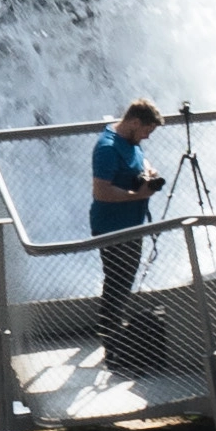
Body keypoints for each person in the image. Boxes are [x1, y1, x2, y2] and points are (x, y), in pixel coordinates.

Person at [89, 97, 165, 368]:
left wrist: (148, 171)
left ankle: (114, 339)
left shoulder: (129, 141)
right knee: (116, 284)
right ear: (134, 122)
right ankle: (111, 345)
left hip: (130, 226)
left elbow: (138, 158)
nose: (147, 136)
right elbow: (101, 191)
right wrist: (138, 195)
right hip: (112, 228)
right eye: (146, 130)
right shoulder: (108, 148)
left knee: (123, 282)